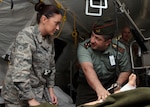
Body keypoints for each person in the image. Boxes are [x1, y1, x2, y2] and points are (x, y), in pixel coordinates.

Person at [1, 2, 62, 107]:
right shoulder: (26, 37)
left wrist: (51, 90)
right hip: (17, 98)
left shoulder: (49, 40)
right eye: (56, 23)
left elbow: (50, 67)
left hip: (37, 93)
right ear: (44, 19)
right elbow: (20, 73)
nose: (57, 28)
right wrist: (31, 100)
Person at [76, 18, 131, 106]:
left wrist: (118, 84)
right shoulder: (84, 47)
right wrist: (99, 89)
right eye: (92, 35)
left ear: (108, 42)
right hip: (87, 88)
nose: (92, 40)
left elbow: (126, 70)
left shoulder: (119, 50)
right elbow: (87, 69)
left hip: (109, 85)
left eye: (97, 38)